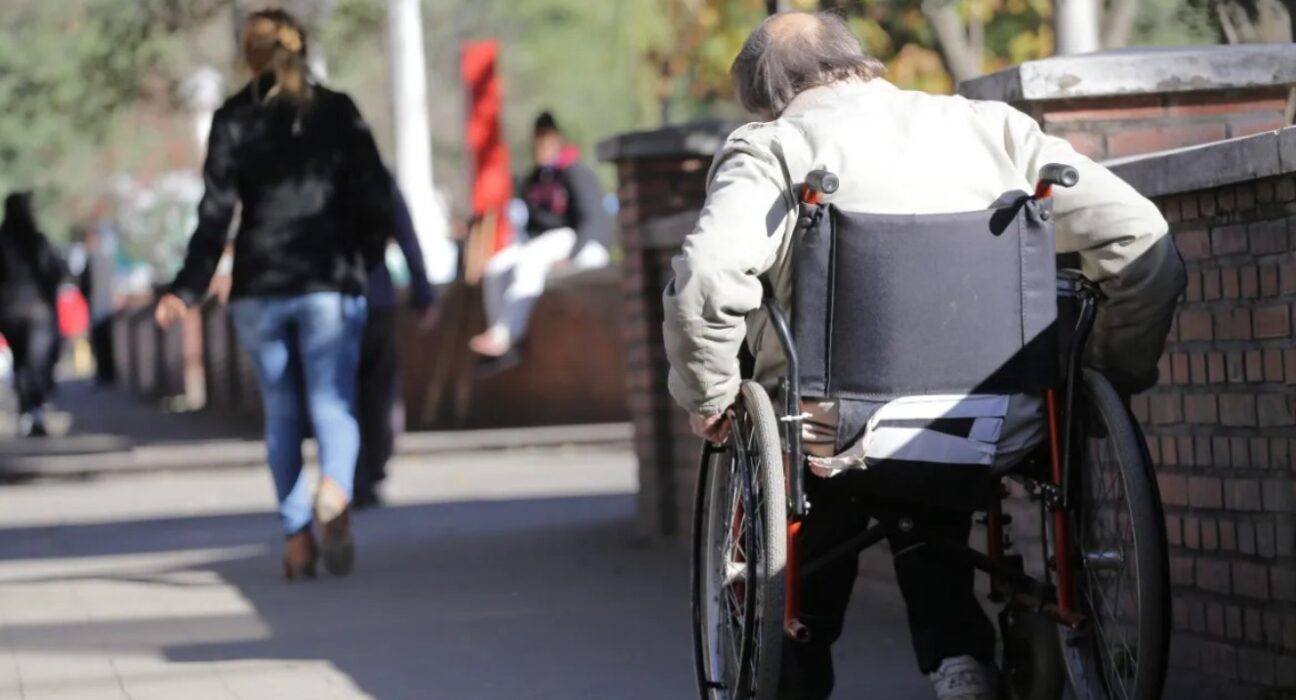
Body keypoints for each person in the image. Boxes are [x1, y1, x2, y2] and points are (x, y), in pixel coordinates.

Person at [663, 12, 1185, 700]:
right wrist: (1114, 371)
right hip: (995, 420)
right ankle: (958, 656)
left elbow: (706, 278)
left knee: (823, 472)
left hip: (832, 428)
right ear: (859, 61)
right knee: (926, 475)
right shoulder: (992, 130)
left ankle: (803, 654)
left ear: (764, 96)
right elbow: (1141, 238)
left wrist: (708, 395)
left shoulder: (776, 148)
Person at [155, 9, 391, 580]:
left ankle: (297, 543)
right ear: (302, 50)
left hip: (258, 287)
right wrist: (363, 259)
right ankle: (334, 489)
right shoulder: (336, 111)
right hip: (328, 281)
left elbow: (215, 214)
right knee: (333, 402)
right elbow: (374, 196)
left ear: (248, 57)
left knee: (282, 414)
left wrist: (187, 288)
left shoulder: (233, 118)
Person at [468, 111, 613, 363]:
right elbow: (528, 226)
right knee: (495, 267)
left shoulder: (574, 172)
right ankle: (501, 337)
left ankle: (507, 333)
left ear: (557, 140)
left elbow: (590, 218)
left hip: (571, 238)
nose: (541, 147)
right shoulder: (532, 179)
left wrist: (573, 255)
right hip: (540, 242)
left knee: (530, 262)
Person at [354, 178, 438, 509]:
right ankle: (371, 469)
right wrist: (423, 292)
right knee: (377, 392)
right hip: (375, 299)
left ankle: (357, 473)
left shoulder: (316, 174)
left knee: (344, 394)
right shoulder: (377, 178)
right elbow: (406, 236)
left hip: (336, 302)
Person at [0, 192, 65, 437]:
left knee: (22, 363)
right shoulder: (37, 240)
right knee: (36, 363)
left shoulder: (4, 241)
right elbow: (56, 271)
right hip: (37, 313)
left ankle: (28, 411)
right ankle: (33, 409)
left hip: (9, 313)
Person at [78, 223, 117, 386]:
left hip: (97, 306)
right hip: (107, 305)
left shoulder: (92, 258)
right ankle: (108, 374)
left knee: (100, 343)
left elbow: (84, 284)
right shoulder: (106, 257)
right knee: (106, 342)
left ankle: (104, 374)